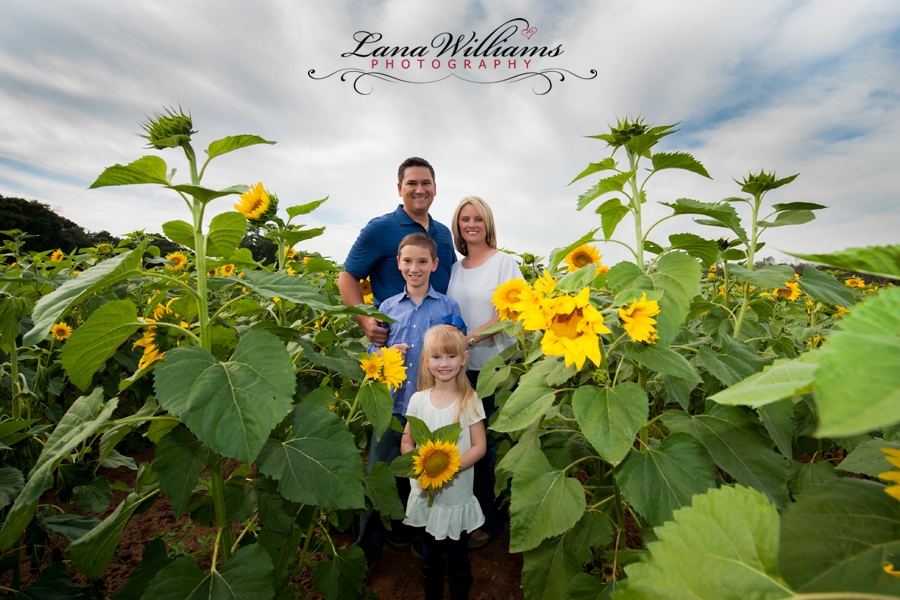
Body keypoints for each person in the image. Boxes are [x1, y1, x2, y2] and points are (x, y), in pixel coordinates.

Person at [355, 232, 461, 566]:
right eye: (408, 261)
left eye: (422, 262)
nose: (414, 268)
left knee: (425, 478)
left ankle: (421, 539)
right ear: (399, 264)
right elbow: (374, 351)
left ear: (435, 264)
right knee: (379, 473)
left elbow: (455, 349)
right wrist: (388, 352)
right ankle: (367, 550)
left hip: (430, 409)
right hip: (391, 406)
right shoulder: (387, 307)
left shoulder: (447, 306)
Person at [445, 196, 520, 549]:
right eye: (464, 219)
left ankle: (490, 521)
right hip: (463, 371)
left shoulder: (504, 263)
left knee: (487, 446)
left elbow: (514, 313)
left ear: (487, 223)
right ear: (457, 226)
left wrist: (470, 337)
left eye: (477, 218)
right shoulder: (458, 268)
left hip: (494, 367)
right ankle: (470, 514)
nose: (471, 224)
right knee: (467, 445)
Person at [401, 324, 486, 600]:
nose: (444, 363)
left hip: (455, 489)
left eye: (451, 356)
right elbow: (407, 441)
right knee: (429, 546)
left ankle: (460, 591)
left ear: (463, 359)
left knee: (457, 547)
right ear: (427, 361)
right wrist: (415, 465)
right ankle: (432, 592)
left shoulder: (469, 400)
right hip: (425, 489)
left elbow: (479, 446)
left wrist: (449, 467)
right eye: (436, 357)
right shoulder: (418, 400)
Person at [338, 157, 457, 347]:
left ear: (434, 188)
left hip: (439, 343)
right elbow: (347, 277)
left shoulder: (443, 233)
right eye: (412, 183)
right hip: (396, 339)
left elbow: (453, 278)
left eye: (426, 183)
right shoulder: (379, 229)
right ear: (400, 189)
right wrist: (365, 320)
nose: (420, 189)